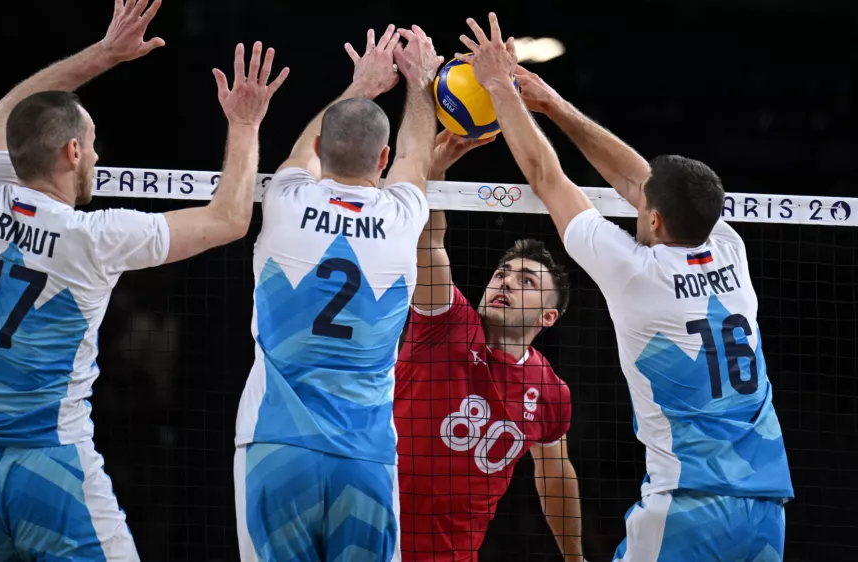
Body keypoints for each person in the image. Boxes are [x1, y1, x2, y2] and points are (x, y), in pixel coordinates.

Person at [0, 1, 289, 559]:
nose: (97, 156)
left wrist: (103, 53)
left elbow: (11, 108)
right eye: (92, 144)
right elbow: (229, 219)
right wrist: (245, 123)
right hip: (50, 463)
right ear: (73, 151)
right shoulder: (91, 237)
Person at [456, 12, 794, 561]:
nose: (637, 200)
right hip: (766, 506)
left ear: (655, 220)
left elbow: (547, 177)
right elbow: (641, 182)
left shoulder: (636, 272)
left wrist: (499, 85)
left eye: (646, 205)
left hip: (685, 504)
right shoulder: (728, 244)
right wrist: (554, 104)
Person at [233, 24, 443, 562]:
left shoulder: (284, 199)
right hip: (365, 456)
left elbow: (304, 152)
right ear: (383, 157)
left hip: (274, 446)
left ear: (323, 149)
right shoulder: (401, 218)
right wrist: (420, 85)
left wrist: (360, 86)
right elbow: (417, 157)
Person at [395, 130, 583, 561]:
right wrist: (436, 170)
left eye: (526, 282)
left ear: (547, 318)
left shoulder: (550, 391)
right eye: (503, 273)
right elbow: (429, 243)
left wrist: (574, 558)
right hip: (371, 535)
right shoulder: (445, 322)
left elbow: (555, 474)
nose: (506, 282)